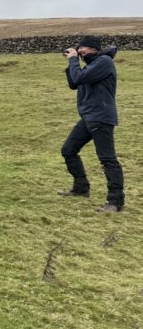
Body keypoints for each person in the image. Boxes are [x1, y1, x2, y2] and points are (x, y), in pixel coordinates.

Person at [59, 35, 124, 212]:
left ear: (94, 48)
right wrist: (71, 62)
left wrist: (74, 60)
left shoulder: (103, 62)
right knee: (68, 150)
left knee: (107, 159)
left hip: (101, 117)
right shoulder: (92, 64)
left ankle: (115, 201)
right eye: (79, 49)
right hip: (89, 117)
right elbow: (74, 83)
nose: (80, 51)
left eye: (83, 48)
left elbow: (79, 78)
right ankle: (81, 188)